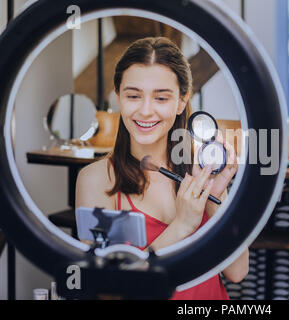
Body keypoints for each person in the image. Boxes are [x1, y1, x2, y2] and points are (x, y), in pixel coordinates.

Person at [75, 37, 249, 300]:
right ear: (118, 96)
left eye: (161, 98)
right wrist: (181, 225)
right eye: (133, 95)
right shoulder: (96, 180)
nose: (146, 111)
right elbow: (108, 291)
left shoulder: (201, 167)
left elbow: (237, 271)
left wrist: (215, 199)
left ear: (181, 101)